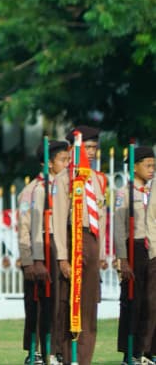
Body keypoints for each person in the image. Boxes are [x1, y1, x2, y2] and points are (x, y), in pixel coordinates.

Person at [52, 125, 105, 365]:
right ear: (74, 149)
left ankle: (84, 358)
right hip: (73, 237)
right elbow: (60, 217)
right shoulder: (66, 178)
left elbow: (100, 218)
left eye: (95, 148)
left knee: (89, 303)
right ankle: (67, 354)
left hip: (91, 240)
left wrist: (101, 252)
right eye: (88, 147)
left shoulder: (96, 178)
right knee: (69, 301)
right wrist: (63, 256)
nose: (92, 152)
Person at [19, 140, 69, 365]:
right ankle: (35, 350)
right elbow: (25, 227)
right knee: (36, 303)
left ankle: (54, 349)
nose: (67, 165)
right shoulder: (32, 190)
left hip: (55, 248)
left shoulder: (64, 189)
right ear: (49, 163)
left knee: (56, 302)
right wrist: (30, 261)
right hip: (37, 249)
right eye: (63, 160)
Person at [117, 145, 154, 363]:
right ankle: (130, 351)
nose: (152, 170)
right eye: (148, 165)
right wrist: (122, 258)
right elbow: (119, 229)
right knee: (134, 300)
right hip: (135, 248)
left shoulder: (154, 192)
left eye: (154, 166)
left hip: (153, 249)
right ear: (135, 167)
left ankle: (149, 349)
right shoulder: (125, 193)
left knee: (153, 302)